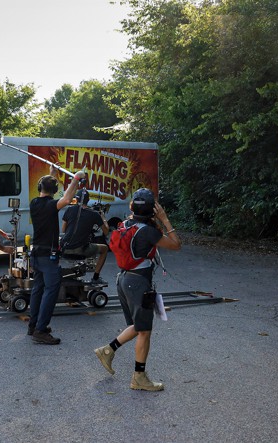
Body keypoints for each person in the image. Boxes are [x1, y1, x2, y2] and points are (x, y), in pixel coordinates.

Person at [94, 188, 181, 391]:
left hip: (123, 280)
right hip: (138, 282)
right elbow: (176, 244)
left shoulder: (125, 224)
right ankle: (138, 378)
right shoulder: (149, 231)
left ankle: (108, 350)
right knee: (144, 331)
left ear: (131, 207)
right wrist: (165, 219)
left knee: (138, 326)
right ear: (154, 210)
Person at [28, 167, 82, 344]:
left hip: (36, 253)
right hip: (47, 256)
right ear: (53, 191)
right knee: (51, 291)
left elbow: (51, 193)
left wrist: (52, 175)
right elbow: (66, 199)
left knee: (38, 289)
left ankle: (33, 325)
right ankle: (41, 330)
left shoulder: (34, 203)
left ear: (40, 188)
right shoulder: (52, 206)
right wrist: (76, 178)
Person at [60, 188, 109, 283]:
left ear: (76, 199)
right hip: (81, 249)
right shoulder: (94, 214)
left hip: (65, 248)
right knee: (105, 249)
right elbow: (106, 232)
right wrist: (103, 217)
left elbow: (63, 230)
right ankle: (95, 277)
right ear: (88, 200)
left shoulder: (69, 210)